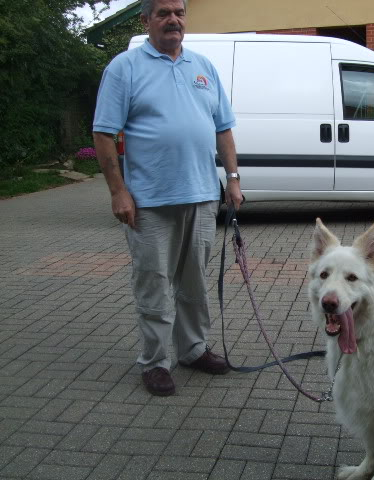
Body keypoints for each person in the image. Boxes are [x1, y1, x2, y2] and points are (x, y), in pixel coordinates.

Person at [92, 0, 243, 396]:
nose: (173, 19)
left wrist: (233, 179)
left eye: (179, 12)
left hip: (201, 197)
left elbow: (223, 129)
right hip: (149, 203)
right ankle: (156, 362)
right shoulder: (124, 68)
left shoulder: (203, 67)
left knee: (195, 283)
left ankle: (193, 350)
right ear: (146, 20)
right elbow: (103, 133)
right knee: (154, 285)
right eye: (163, 13)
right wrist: (118, 191)